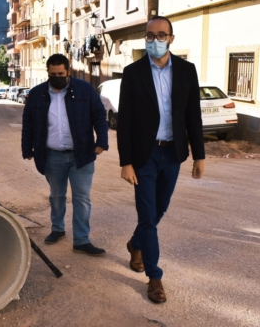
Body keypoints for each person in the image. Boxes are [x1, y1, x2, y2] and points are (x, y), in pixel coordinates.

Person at [117, 16, 205, 303]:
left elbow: (193, 115)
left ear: (171, 38)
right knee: (148, 217)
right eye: (150, 35)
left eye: (161, 35)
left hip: (172, 153)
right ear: (145, 38)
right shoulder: (133, 73)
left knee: (159, 209)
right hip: (144, 155)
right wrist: (126, 161)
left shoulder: (186, 71)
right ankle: (155, 278)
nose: (155, 40)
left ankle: (135, 243)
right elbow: (125, 121)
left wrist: (198, 156)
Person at [21, 54, 109, 256]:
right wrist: (27, 148)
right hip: (52, 156)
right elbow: (28, 123)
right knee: (57, 196)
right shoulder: (37, 94)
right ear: (48, 73)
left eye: (60, 74)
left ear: (68, 71)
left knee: (82, 198)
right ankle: (57, 229)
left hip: (82, 154)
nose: (57, 77)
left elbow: (99, 116)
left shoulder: (84, 89)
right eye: (53, 74)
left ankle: (82, 240)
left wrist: (101, 142)